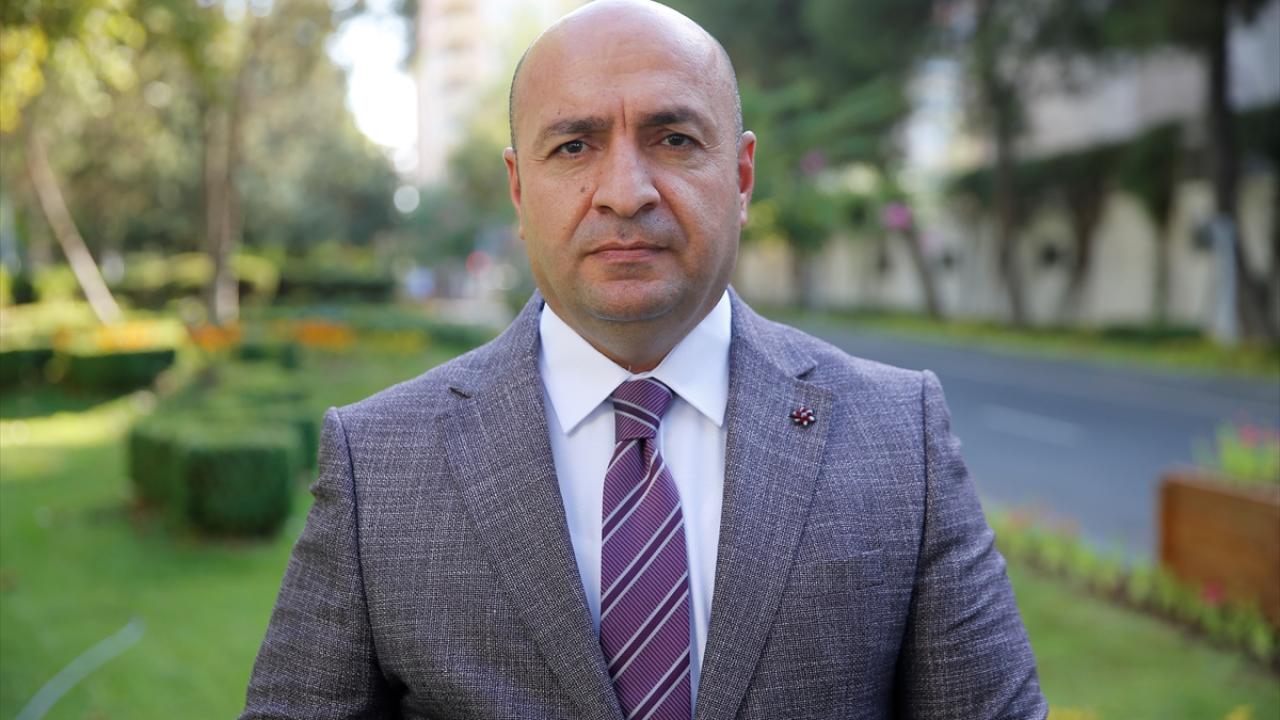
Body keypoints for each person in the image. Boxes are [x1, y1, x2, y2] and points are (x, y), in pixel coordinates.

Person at [241, 1, 1048, 718]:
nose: (625, 192)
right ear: (519, 191)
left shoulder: (899, 436)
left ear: (741, 176)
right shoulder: (379, 462)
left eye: (674, 139)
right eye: (574, 146)